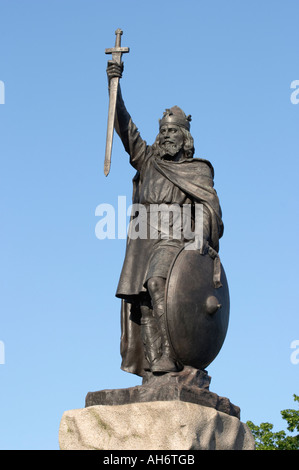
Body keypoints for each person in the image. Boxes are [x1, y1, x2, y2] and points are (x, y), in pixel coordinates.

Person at [106, 60, 223, 376]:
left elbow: (209, 207)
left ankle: (172, 355)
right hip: (143, 240)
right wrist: (114, 86)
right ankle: (155, 365)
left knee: (159, 283)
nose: (167, 135)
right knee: (143, 302)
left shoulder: (197, 170)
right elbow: (124, 126)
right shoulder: (147, 161)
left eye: (173, 130)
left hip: (175, 238)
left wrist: (201, 235)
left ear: (185, 136)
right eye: (163, 131)